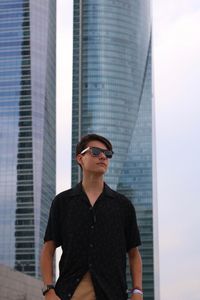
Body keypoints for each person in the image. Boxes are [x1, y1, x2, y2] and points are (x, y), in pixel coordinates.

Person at [40, 134, 143, 300]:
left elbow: (133, 253)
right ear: (80, 158)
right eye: (95, 152)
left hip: (113, 293)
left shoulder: (123, 205)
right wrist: (48, 290)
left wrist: (137, 291)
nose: (103, 156)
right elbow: (48, 248)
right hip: (70, 293)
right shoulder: (63, 202)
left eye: (107, 154)